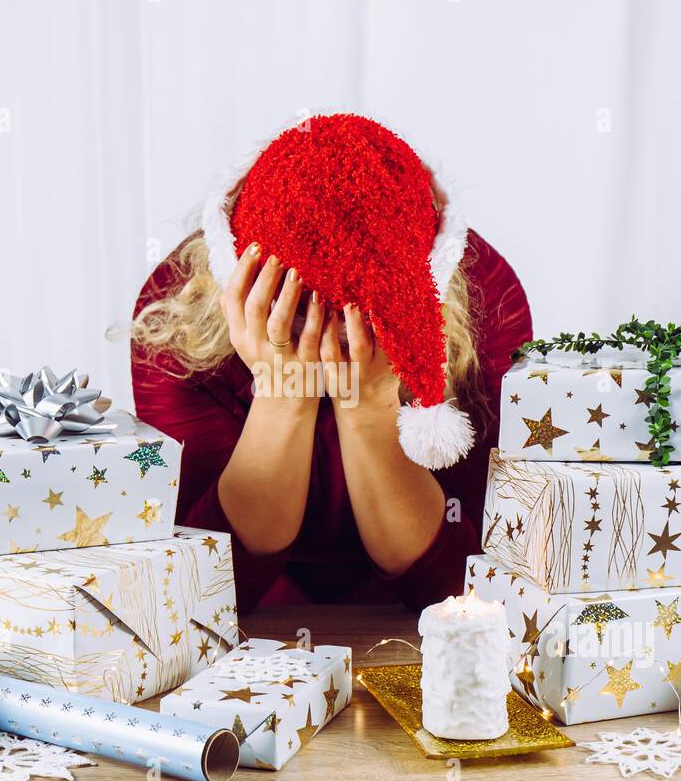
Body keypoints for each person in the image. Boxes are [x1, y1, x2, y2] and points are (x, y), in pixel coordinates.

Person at [130, 114, 532, 612]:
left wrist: (369, 404)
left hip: (418, 639)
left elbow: (464, 590)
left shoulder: (487, 297)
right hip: (257, 633)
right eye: (294, 311)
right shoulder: (174, 312)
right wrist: (282, 393)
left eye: (350, 314)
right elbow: (201, 592)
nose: (324, 341)